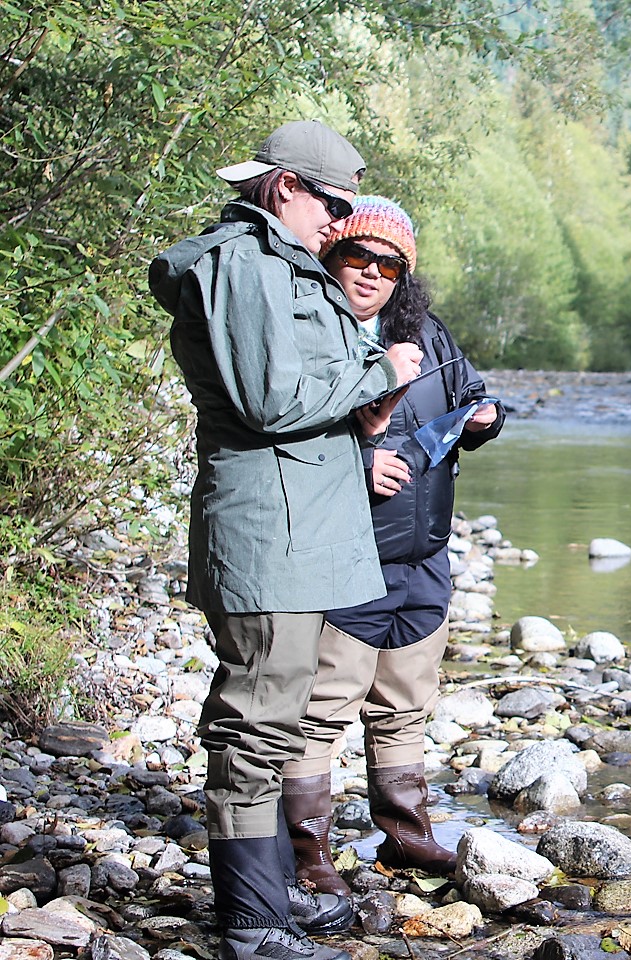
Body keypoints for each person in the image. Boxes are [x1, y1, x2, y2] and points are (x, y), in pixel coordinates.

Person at [149, 122, 423, 960]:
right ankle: (252, 923)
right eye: (332, 203)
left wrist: (361, 408)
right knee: (257, 723)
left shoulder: (273, 261)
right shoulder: (247, 263)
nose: (337, 223)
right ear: (285, 188)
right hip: (272, 533)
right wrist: (383, 374)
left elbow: (294, 393)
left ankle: (269, 899)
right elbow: (271, 402)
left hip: (294, 532)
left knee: (274, 718)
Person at [278, 196, 503, 895]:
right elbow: (278, 431)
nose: (371, 273)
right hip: (347, 554)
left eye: (388, 265)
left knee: (405, 702)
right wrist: (357, 462)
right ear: (332, 258)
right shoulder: (308, 328)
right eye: (357, 257)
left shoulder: (428, 334)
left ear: (405, 276)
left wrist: (485, 419)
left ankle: (406, 835)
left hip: (424, 554)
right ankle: (305, 849)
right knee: (324, 706)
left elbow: (471, 392)